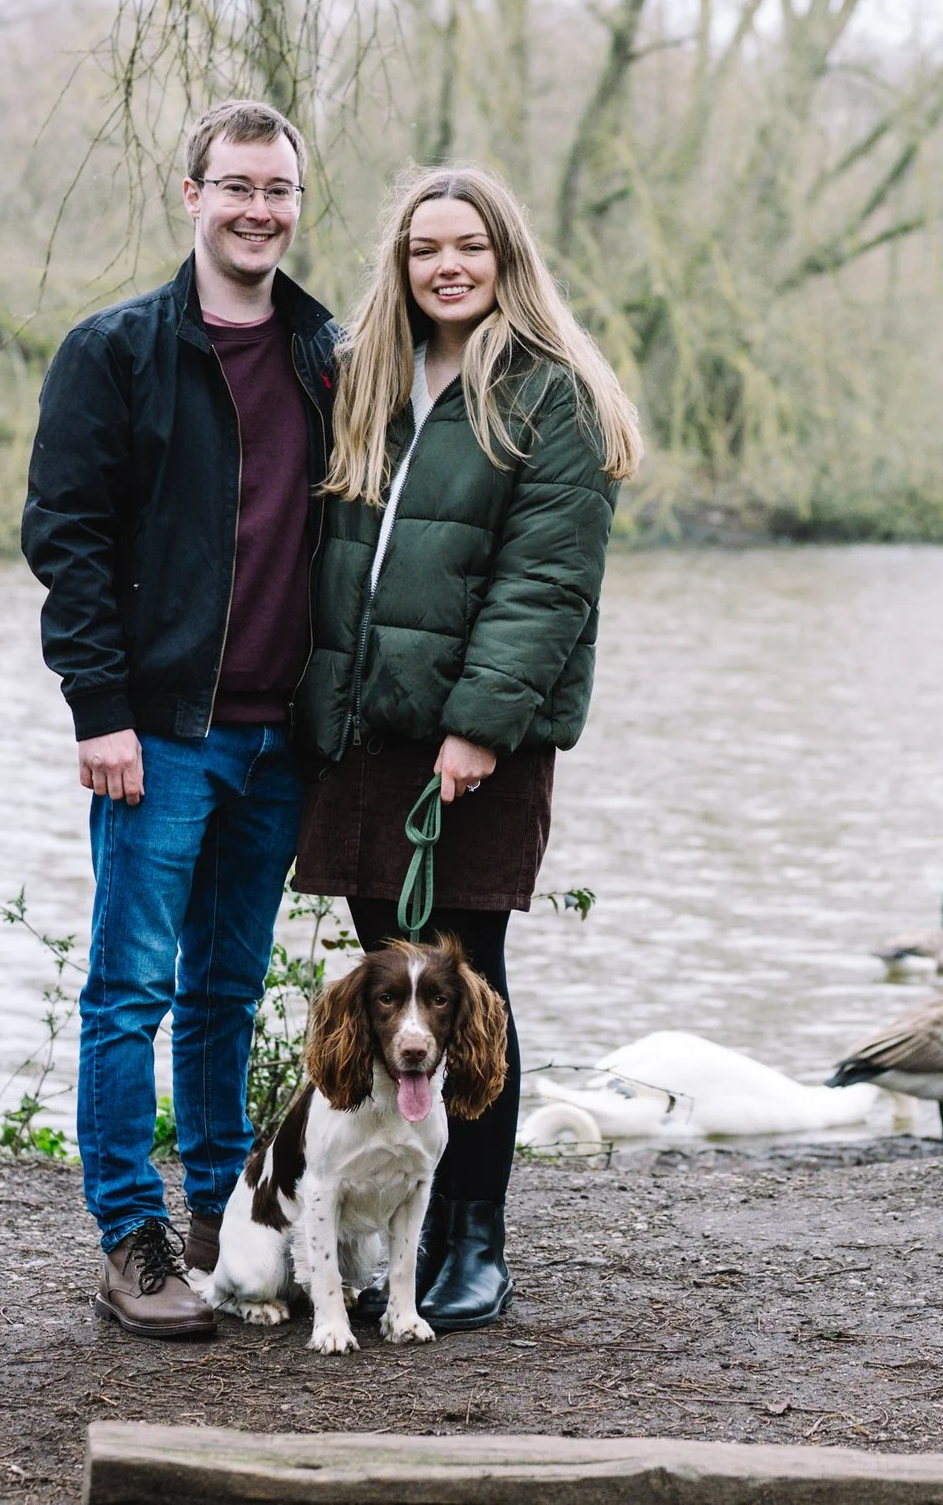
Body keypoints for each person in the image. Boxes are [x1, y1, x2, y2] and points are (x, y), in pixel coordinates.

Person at [290, 164, 641, 1331]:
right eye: (424, 248)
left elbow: (546, 581)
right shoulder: (368, 380)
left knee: (464, 988)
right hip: (367, 735)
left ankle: (474, 1238)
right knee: (391, 985)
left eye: (469, 246)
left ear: (506, 258)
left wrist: (479, 726)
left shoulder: (550, 395)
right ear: (400, 265)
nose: (447, 266)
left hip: (476, 743)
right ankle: (398, 1235)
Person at [22, 100, 339, 1338]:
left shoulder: (328, 353)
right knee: (127, 993)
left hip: (278, 739)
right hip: (157, 732)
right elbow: (67, 539)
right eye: (237, 186)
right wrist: (99, 708)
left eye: (279, 189)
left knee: (226, 991)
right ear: (194, 195)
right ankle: (129, 1238)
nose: (260, 209)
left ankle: (221, 1214)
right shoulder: (115, 352)